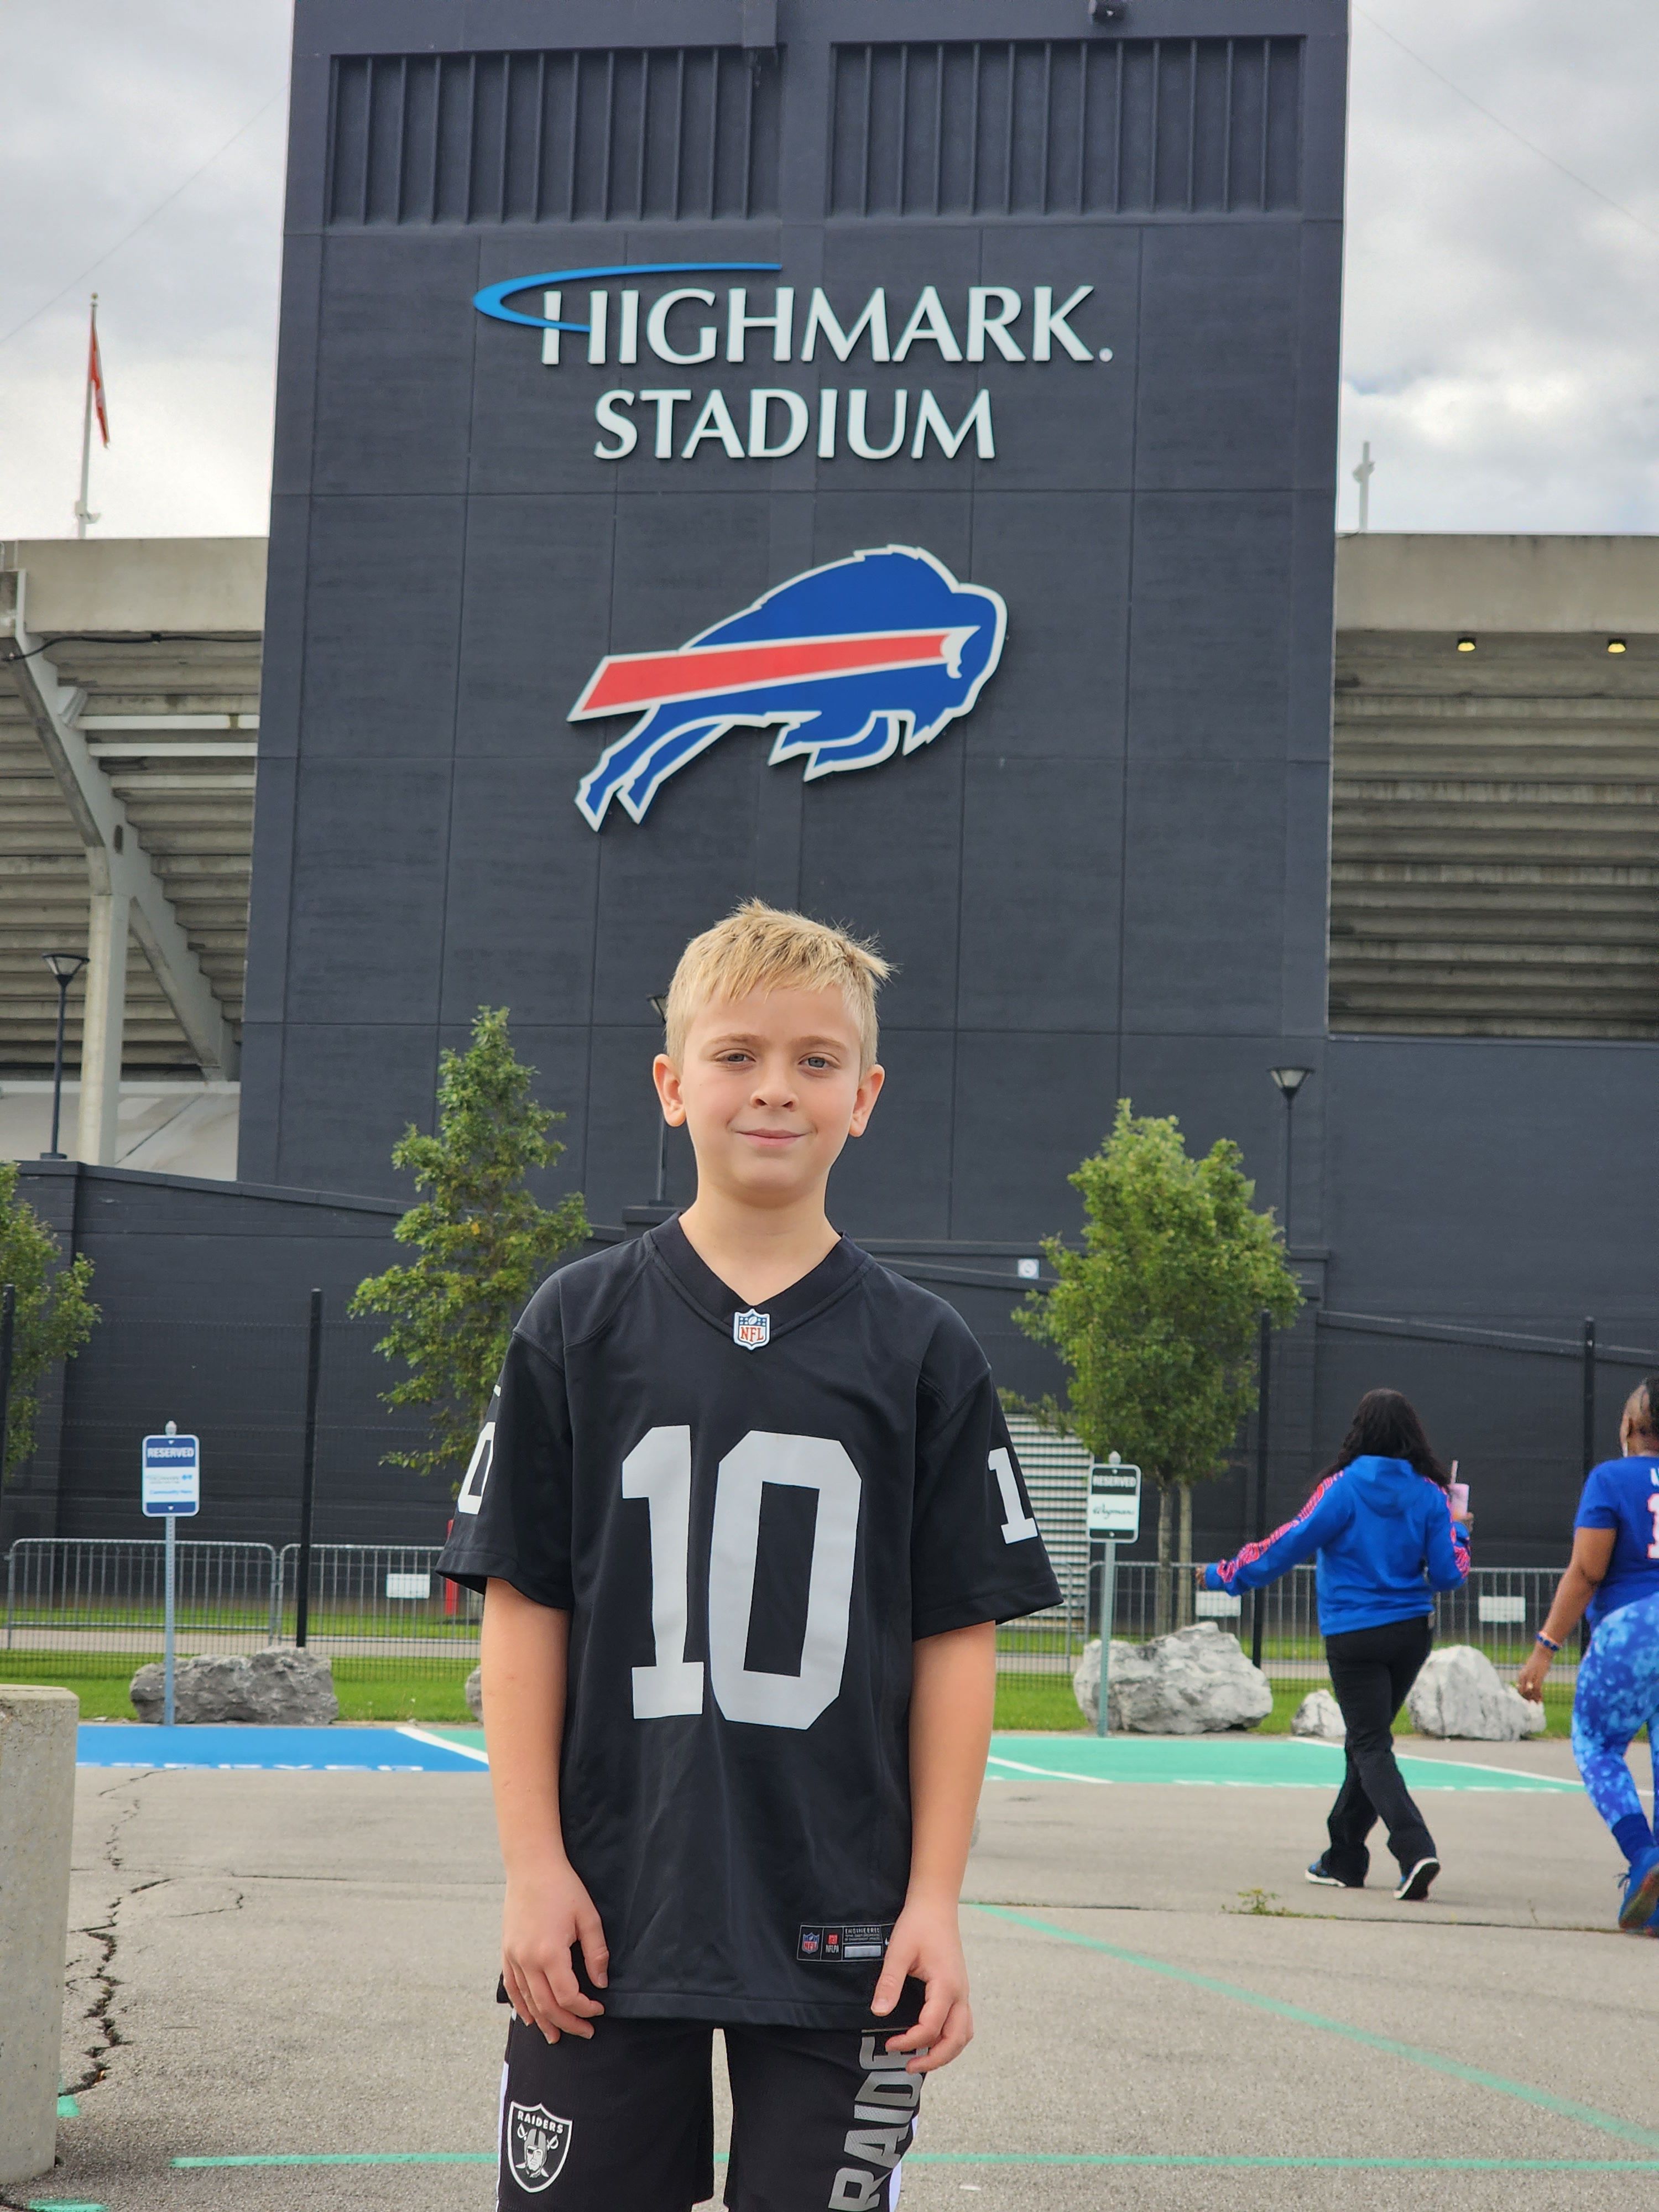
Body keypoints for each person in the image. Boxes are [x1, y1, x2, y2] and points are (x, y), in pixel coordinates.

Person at [438, 899, 1060, 2212]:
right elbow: (523, 1607)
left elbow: (957, 1639)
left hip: (849, 1929)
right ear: (671, 1084)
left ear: (865, 1093)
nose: (774, 1087)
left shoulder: (923, 1351)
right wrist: (532, 1866)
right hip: (608, 1910)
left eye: (814, 1059)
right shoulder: (574, 1324)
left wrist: (935, 1901)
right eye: (736, 1055)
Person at [1199, 1388, 1470, 1902]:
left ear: (1359, 1431)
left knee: (1370, 1745)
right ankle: (1344, 1856)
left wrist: (1223, 1576)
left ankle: (1414, 1849)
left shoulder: (1341, 1489)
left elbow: (1286, 1543)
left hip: (1353, 1633)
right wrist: (1462, 1535)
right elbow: (1447, 1575)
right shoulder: (1432, 1494)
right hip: (1411, 1633)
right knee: (1366, 1745)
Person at [1518, 1376, 1659, 1933]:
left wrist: (1545, 1649)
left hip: (1632, 1628)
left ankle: (1644, 1855)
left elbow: (1587, 1570)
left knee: (1597, 1743)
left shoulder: (1610, 1478)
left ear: (1628, 1426)